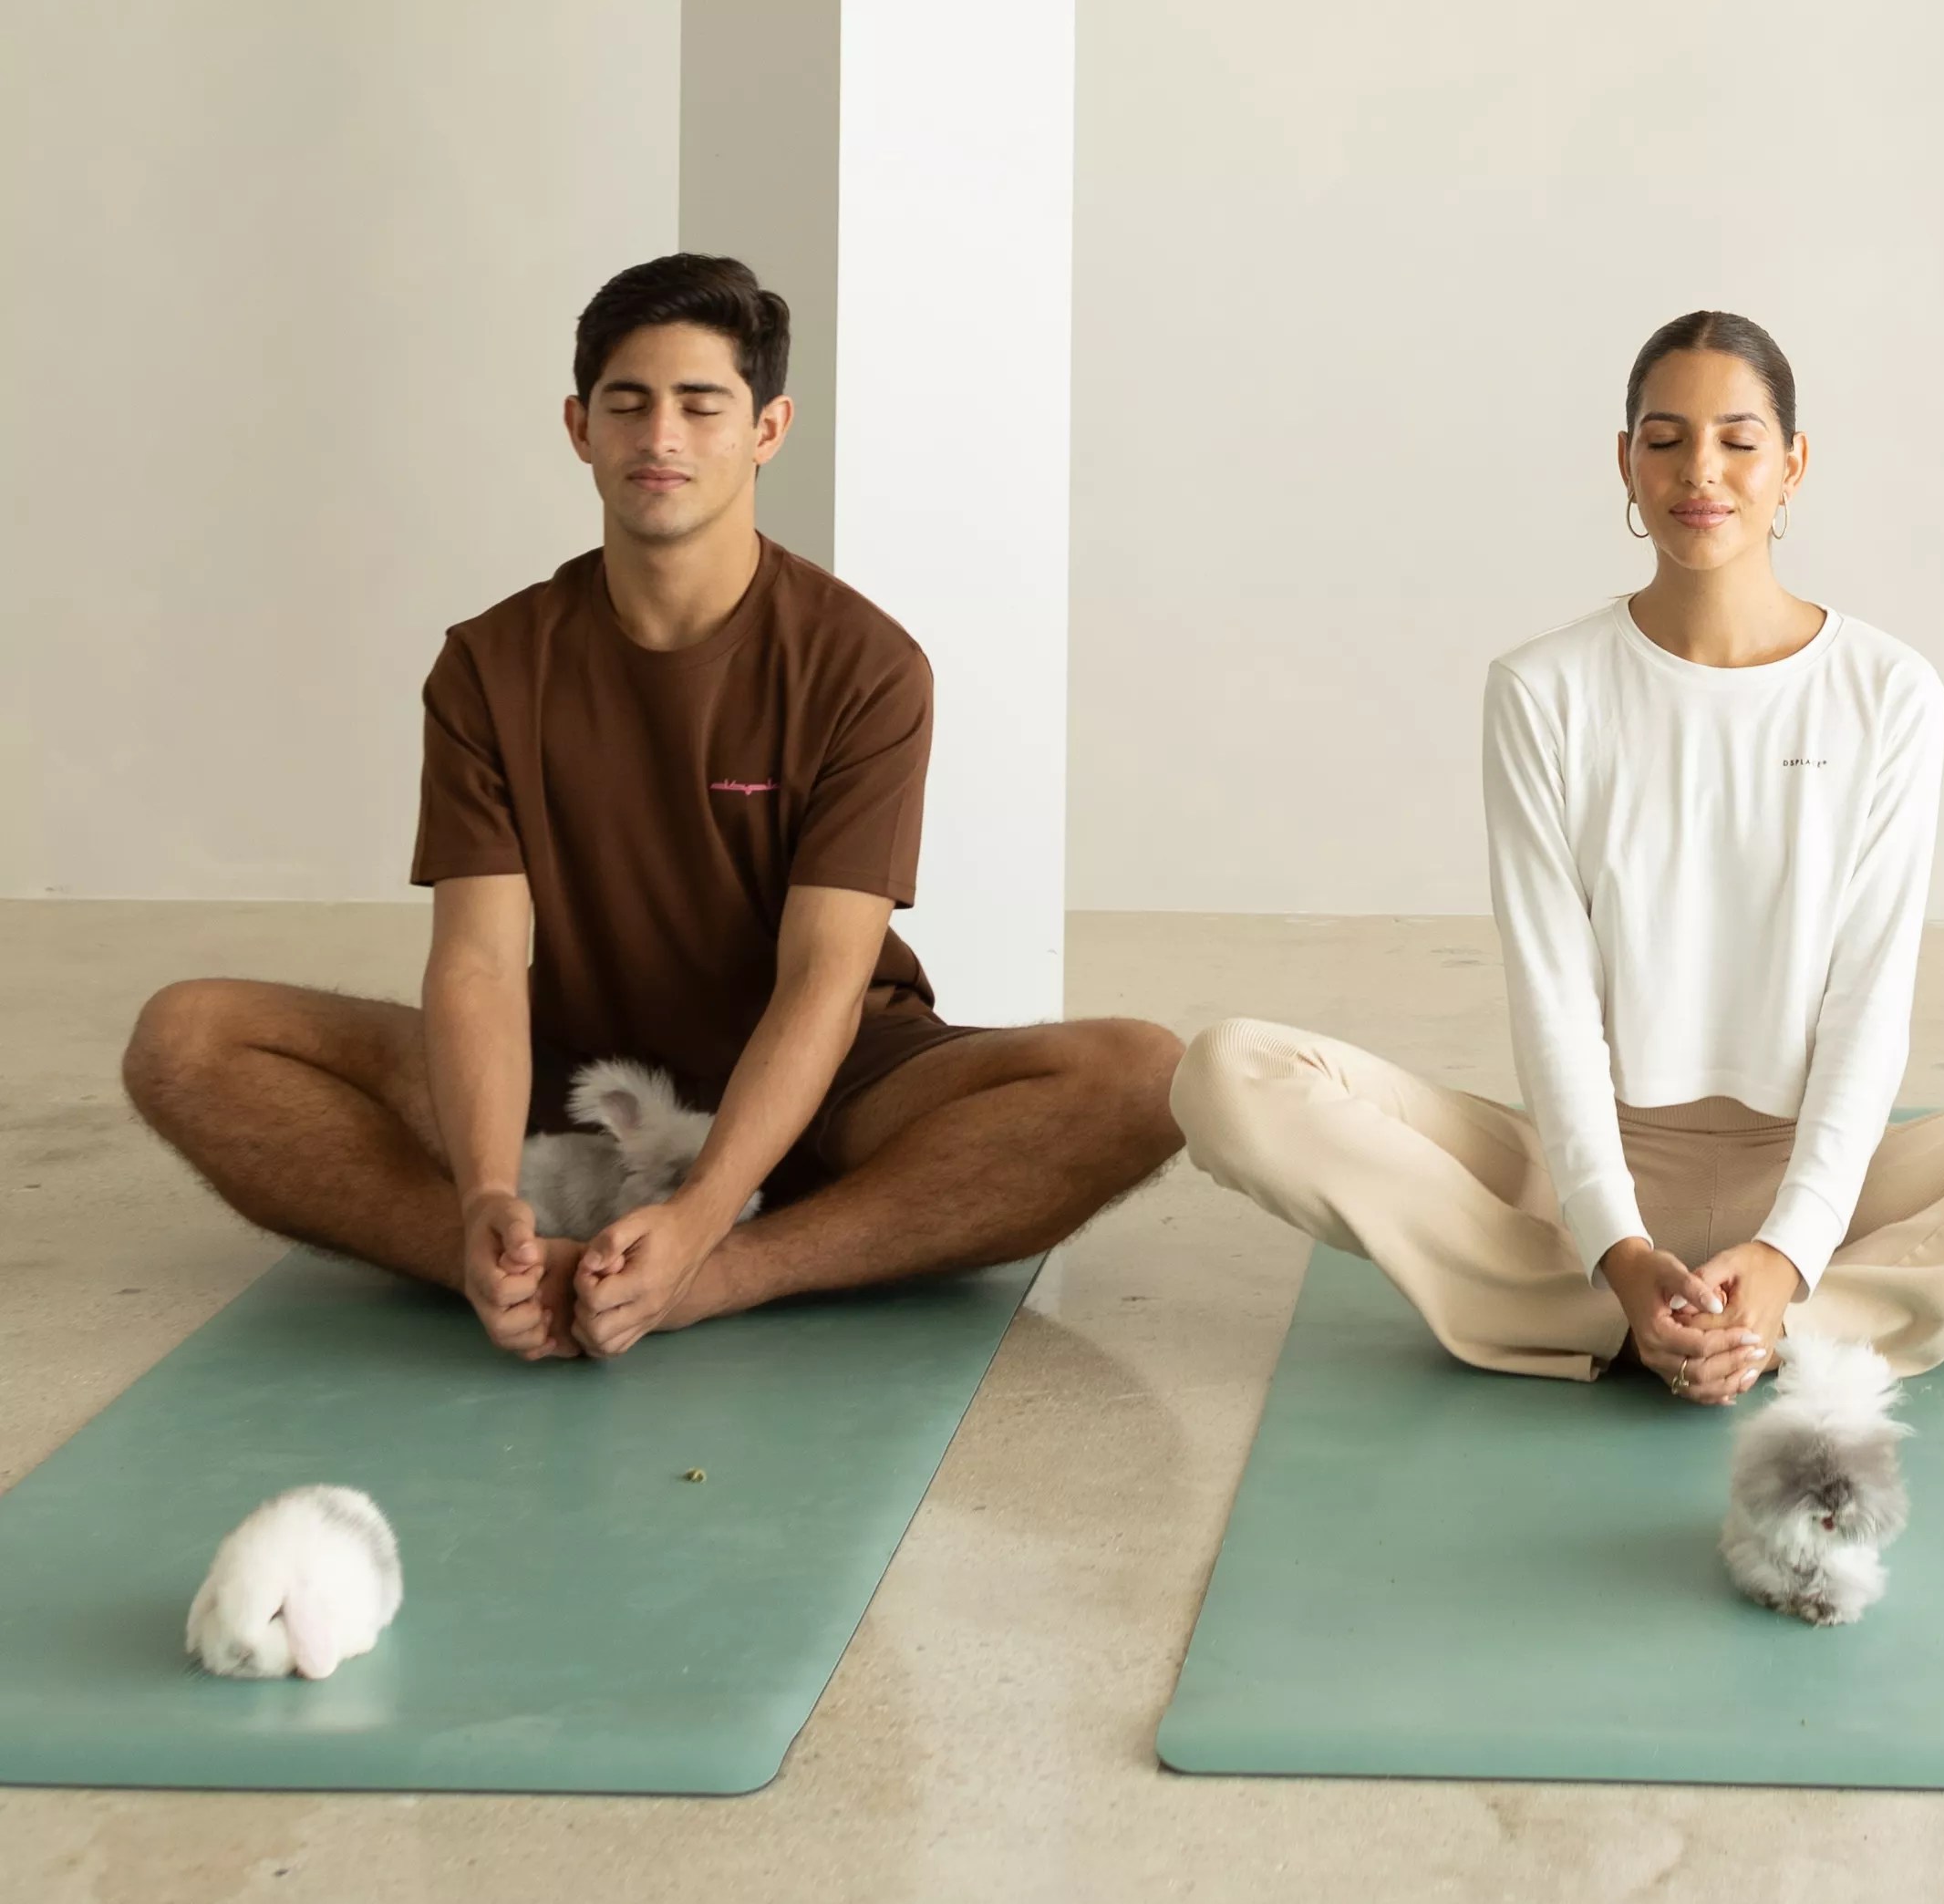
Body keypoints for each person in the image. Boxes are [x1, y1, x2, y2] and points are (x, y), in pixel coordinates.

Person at [1172, 311, 1944, 1402]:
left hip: (1829, 1175)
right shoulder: (1544, 689)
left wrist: (1790, 1248)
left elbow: (1868, 1000)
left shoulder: (1888, 690)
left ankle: (1778, 1322)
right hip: (1583, 1172)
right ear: (1625, 462)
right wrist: (1617, 1242)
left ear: (1792, 464)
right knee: (1229, 1073)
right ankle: (1639, 1309)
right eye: (1665, 437)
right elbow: (1552, 1001)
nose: (1702, 470)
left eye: (1739, 439)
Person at [121, 254, 1183, 1362]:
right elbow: (480, 961)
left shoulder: (863, 664)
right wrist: (482, 1192)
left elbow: (823, 976)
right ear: (580, 428)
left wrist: (707, 1219)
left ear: (767, 430)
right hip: (573, 1076)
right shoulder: (491, 663)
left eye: (700, 404)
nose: (660, 435)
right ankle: (510, 1265)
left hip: (825, 1085)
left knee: (1140, 1076)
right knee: (186, 1038)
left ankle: (726, 1273)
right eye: (627, 404)